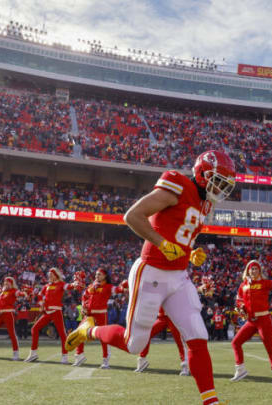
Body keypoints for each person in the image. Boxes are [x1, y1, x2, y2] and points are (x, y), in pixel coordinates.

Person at [65, 150, 236, 405]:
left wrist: (190, 253)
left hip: (178, 277)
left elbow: (179, 232)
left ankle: (211, 401)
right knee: (133, 344)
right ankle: (90, 330)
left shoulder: (206, 203)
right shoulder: (177, 184)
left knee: (198, 335)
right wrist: (162, 244)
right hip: (151, 272)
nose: (220, 188)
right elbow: (132, 216)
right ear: (201, 174)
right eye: (218, 180)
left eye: (225, 184)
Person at [25, 267, 80, 364]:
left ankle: (64, 356)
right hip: (47, 312)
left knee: (62, 334)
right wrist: (41, 302)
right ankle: (33, 353)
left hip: (56, 311)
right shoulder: (46, 286)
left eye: (51, 274)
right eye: (49, 274)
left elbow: (69, 286)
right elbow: (40, 295)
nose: (49, 276)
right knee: (34, 329)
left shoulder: (61, 284)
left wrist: (75, 284)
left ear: (56, 275)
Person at [73, 268, 126, 368]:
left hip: (101, 314)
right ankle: (79, 355)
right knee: (80, 332)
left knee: (103, 337)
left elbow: (119, 289)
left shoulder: (108, 286)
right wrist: (83, 307)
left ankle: (105, 360)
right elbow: (85, 297)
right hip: (89, 314)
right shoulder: (91, 286)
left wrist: (124, 285)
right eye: (96, 274)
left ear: (105, 276)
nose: (97, 276)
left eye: (99, 275)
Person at [135, 306, 189, 376]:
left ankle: (185, 366)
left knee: (179, 341)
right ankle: (142, 359)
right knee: (147, 334)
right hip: (161, 317)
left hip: (173, 317)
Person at [0, 276, 27, 361]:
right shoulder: (2, 292)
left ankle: (16, 353)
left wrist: (24, 293)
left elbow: (19, 293)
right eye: (5, 282)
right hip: (0, 314)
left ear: (11, 283)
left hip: (8, 313)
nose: (6, 283)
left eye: (8, 282)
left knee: (11, 333)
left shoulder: (13, 291)